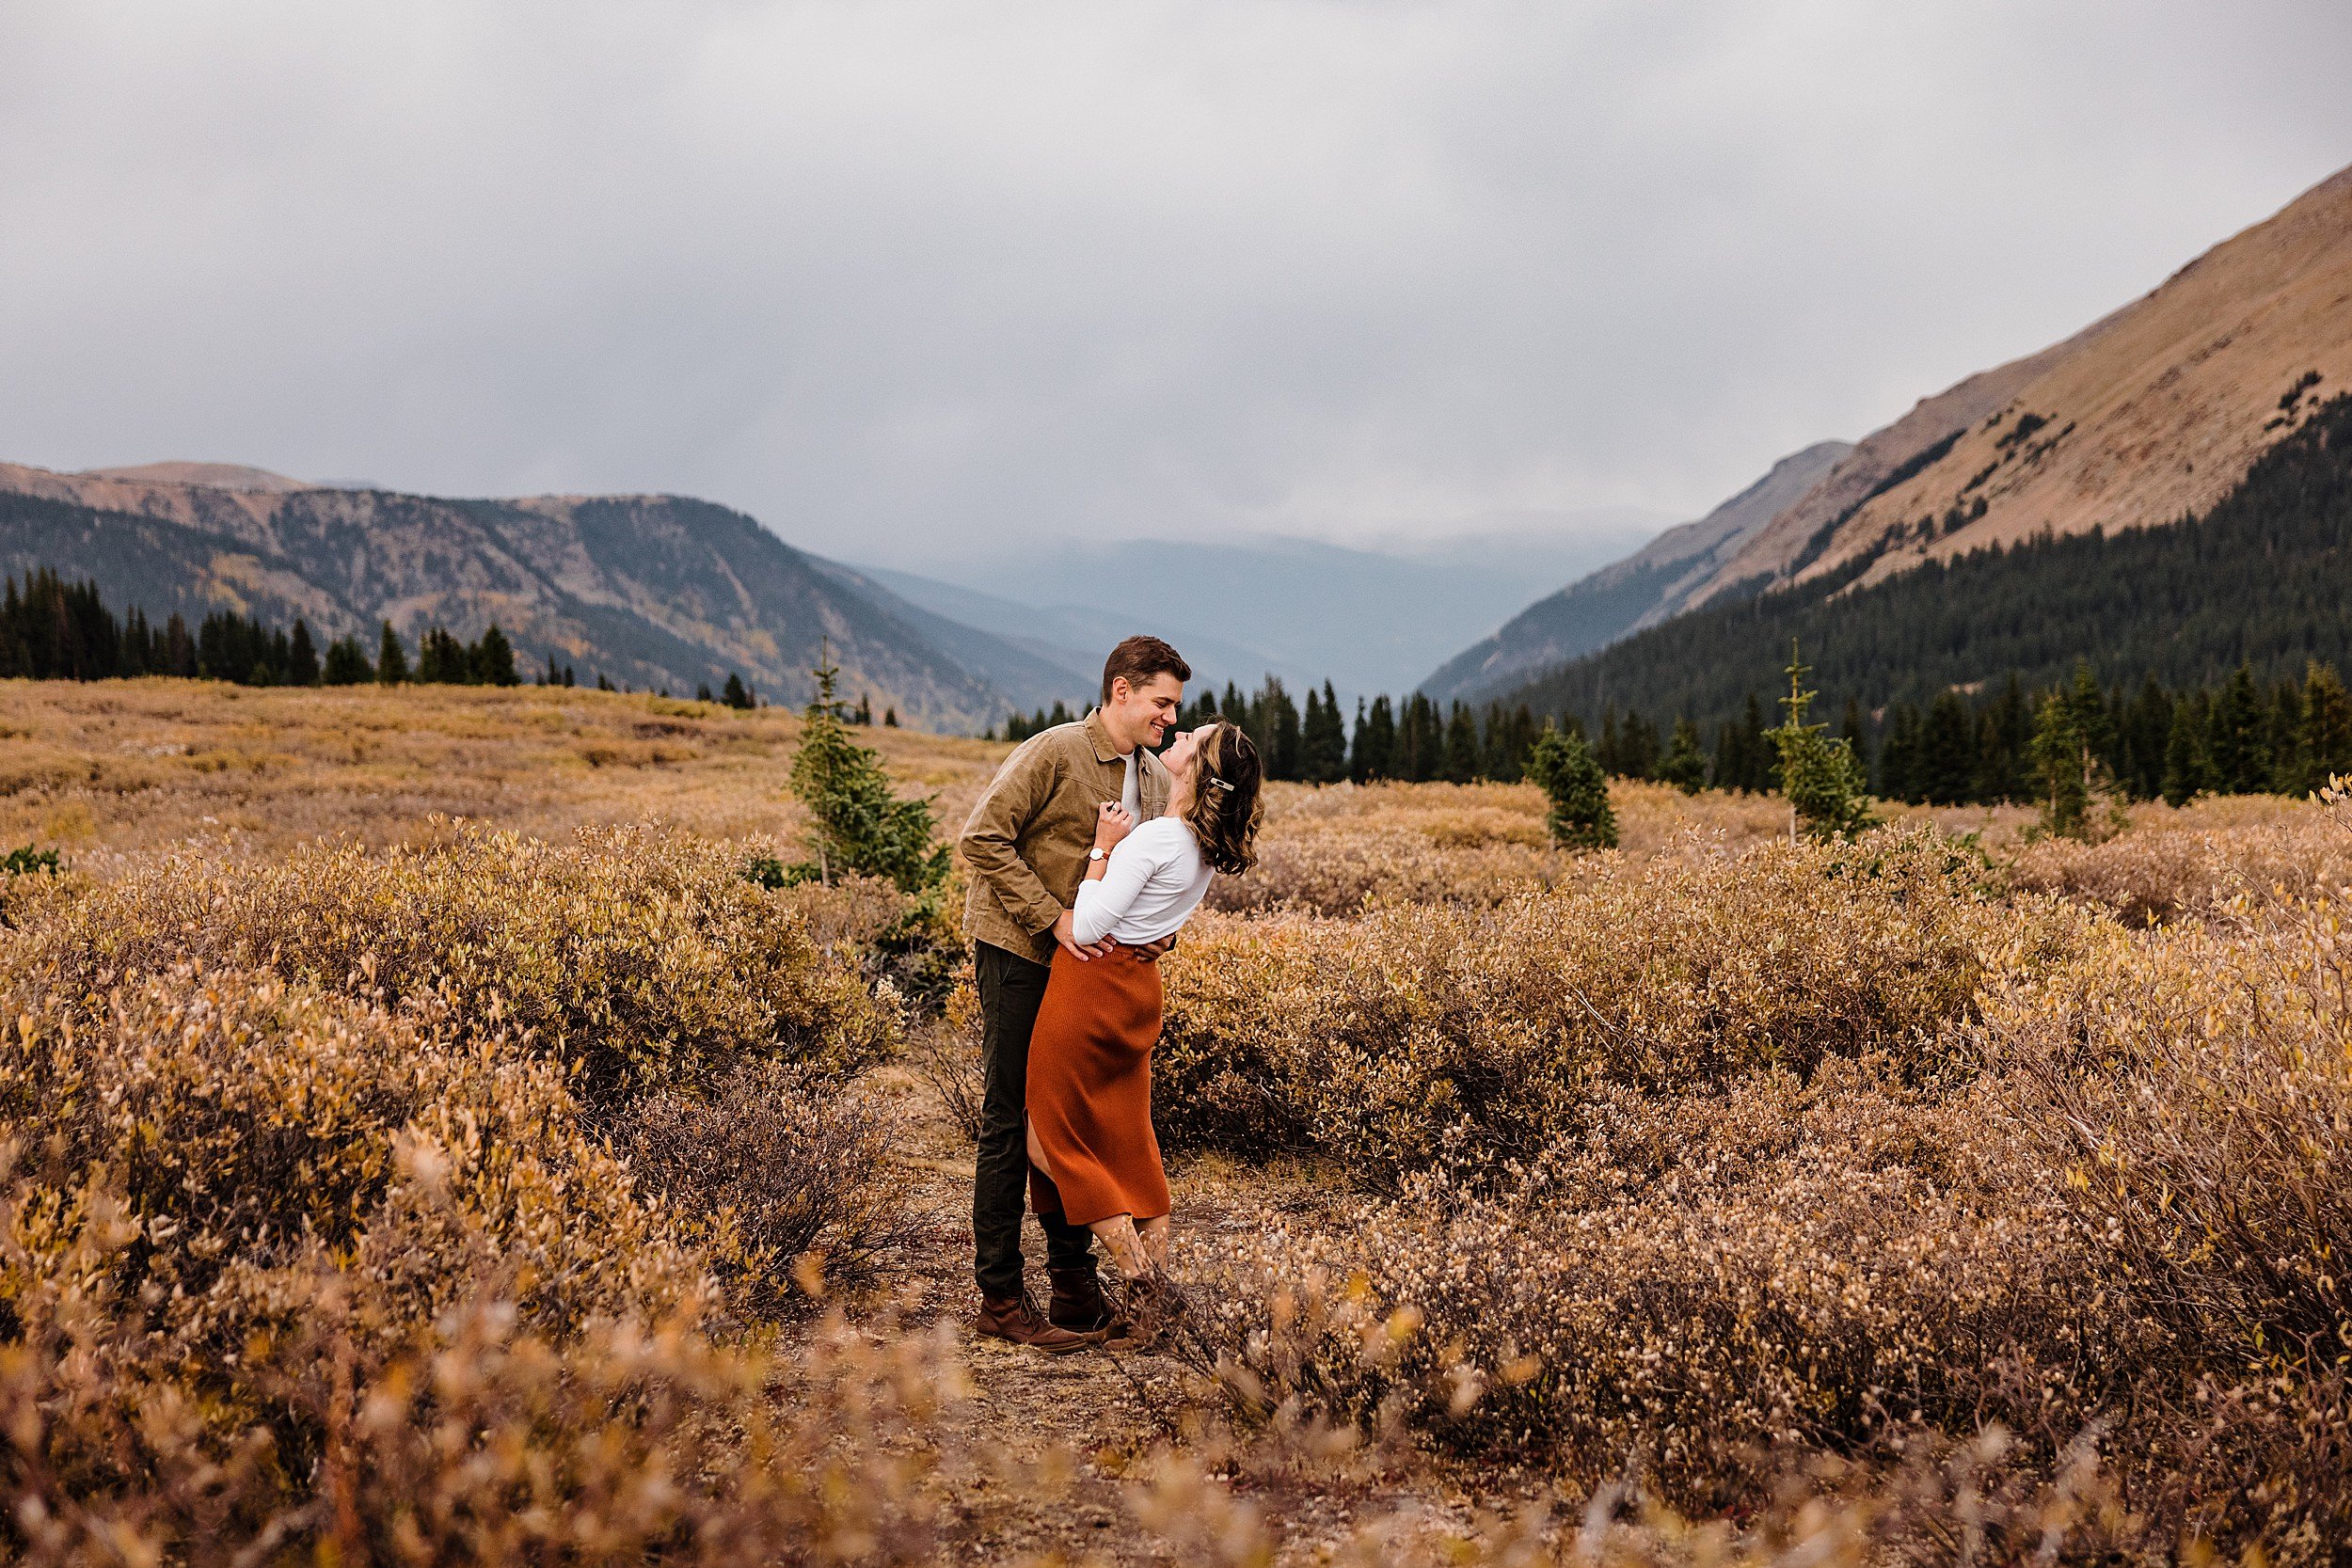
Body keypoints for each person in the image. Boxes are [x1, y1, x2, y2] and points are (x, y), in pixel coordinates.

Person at [958, 635, 1190, 1352]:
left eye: (1175, 708)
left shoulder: (1152, 782)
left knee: (1069, 1125)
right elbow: (982, 837)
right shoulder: (1054, 751)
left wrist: (1159, 937)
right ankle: (999, 1296)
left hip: (1087, 976)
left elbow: (1149, 878)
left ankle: (1073, 1289)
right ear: (1121, 690)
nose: (1170, 720)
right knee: (1009, 1119)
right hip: (1019, 952)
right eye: (1161, 702)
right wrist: (1053, 918)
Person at [1024, 718, 1263, 1347]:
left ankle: (1138, 1277)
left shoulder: (1156, 837)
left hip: (1090, 987)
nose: (1177, 733)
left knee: (1047, 1136)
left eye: (1191, 736)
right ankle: (1152, 1301)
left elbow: (1089, 921)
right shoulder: (1203, 844)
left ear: (1197, 766)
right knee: (1129, 1138)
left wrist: (1102, 847)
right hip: (1137, 990)